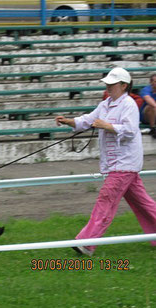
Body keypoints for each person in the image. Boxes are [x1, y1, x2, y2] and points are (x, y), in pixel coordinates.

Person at [55, 67, 156, 256]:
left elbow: (130, 130)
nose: (108, 86)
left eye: (112, 84)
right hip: (117, 164)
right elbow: (88, 120)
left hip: (124, 164)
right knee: (144, 204)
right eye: (107, 83)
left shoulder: (129, 104)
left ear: (124, 85)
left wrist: (107, 126)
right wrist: (69, 121)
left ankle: (87, 243)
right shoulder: (106, 104)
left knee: (106, 200)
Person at [139, 74, 156, 139]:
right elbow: (151, 103)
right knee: (151, 107)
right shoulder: (146, 90)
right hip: (146, 116)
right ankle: (153, 128)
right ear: (151, 82)